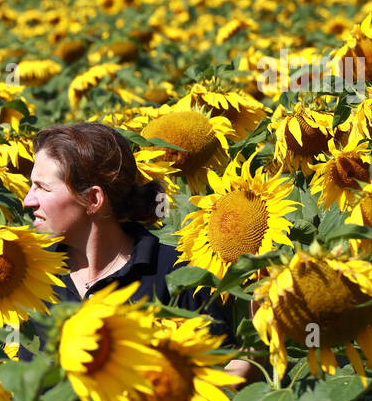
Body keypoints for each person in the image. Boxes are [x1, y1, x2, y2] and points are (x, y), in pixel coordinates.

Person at [16, 121, 258, 386]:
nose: (28, 200)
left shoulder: (177, 273)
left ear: (93, 199)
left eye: (43, 188)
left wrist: (255, 352)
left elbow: (220, 376)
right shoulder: (35, 278)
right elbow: (23, 398)